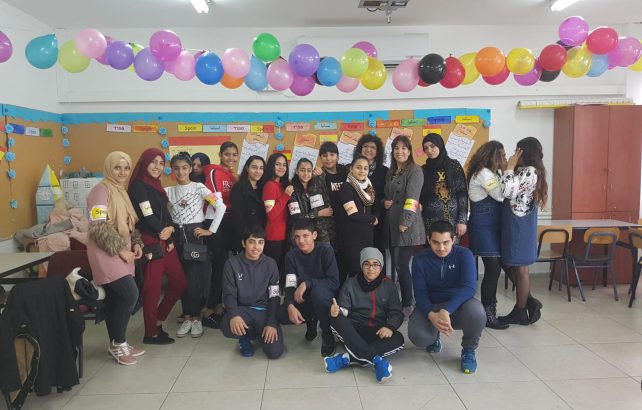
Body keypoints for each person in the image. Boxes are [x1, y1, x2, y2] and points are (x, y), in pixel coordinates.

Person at [86, 151, 145, 365]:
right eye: (117, 167)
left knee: (118, 299)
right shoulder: (100, 191)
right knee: (130, 295)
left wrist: (136, 242)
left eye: (126, 168)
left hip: (124, 252)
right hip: (106, 252)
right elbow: (98, 225)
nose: (122, 172)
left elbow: (130, 223)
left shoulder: (121, 191)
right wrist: (120, 250)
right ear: (109, 168)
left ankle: (118, 343)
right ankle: (118, 343)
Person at [408, 221, 485, 374]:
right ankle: (434, 335)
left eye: (446, 242)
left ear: (453, 239)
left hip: (458, 306)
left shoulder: (464, 254)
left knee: (477, 312)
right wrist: (431, 315)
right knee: (418, 336)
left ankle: (469, 350)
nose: (441, 248)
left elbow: (469, 288)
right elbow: (420, 294)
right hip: (432, 305)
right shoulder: (420, 259)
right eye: (435, 242)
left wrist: (446, 310)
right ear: (428, 240)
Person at [128, 148, 186, 345]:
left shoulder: (157, 185)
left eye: (161, 163)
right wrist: (163, 231)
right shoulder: (139, 185)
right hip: (151, 240)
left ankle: (158, 319)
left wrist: (169, 235)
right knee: (152, 288)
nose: (157, 167)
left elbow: (165, 213)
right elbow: (147, 215)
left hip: (164, 239)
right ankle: (150, 333)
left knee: (179, 282)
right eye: (153, 162)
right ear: (145, 162)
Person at [166, 152, 226, 338]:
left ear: (190, 169)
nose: (181, 172)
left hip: (195, 237)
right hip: (176, 238)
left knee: (195, 280)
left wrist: (211, 230)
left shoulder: (199, 188)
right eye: (176, 168)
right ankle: (187, 317)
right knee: (182, 280)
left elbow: (221, 206)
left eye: (185, 168)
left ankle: (197, 318)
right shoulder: (168, 191)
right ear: (172, 170)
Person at [324, 248, 404, 384]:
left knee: (398, 338)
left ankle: (346, 359)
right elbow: (344, 309)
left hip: (377, 330)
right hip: (355, 330)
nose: (371, 268)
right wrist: (336, 311)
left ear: (381, 266)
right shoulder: (350, 283)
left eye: (375, 264)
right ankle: (376, 360)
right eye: (367, 264)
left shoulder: (389, 285)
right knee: (336, 319)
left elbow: (396, 312)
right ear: (361, 266)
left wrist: (390, 327)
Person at [498, 137, 547, 326]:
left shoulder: (530, 171)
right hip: (519, 222)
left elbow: (507, 192)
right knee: (512, 264)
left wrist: (509, 168)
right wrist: (509, 169)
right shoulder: (527, 170)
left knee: (521, 268)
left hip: (520, 225)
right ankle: (529, 301)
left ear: (523, 152)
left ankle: (520, 310)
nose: (514, 154)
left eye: (517, 151)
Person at [220, 226, 283, 359]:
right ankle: (244, 337)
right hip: (243, 310)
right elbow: (229, 294)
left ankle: (258, 332)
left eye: (260, 242)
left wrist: (271, 323)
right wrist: (234, 315)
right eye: (251, 242)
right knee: (226, 324)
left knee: (274, 353)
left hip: (263, 311)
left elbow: (274, 296)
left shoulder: (271, 264)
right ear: (244, 243)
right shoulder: (231, 264)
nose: (256, 247)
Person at [279, 219, 340, 356]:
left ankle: (327, 334)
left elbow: (334, 282)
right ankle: (311, 320)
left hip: (323, 296)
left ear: (314, 235)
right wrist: (289, 305)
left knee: (318, 293)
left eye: (305, 236)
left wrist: (307, 283)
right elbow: (290, 284)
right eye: (297, 237)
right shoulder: (291, 256)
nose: (301, 241)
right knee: (281, 314)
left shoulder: (325, 250)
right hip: (303, 297)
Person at [466, 141, 509, 330]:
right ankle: (488, 314)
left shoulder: (492, 173)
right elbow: (500, 195)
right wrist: (508, 171)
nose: (505, 159)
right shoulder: (483, 173)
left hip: (492, 225)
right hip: (483, 226)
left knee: (495, 268)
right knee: (492, 268)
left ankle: (490, 311)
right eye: (503, 155)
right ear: (493, 156)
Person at [383, 135, 425, 310]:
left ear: (409, 151)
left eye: (403, 148)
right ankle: (405, 300)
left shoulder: (415, 170)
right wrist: (384, 202)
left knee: (401, 264)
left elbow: (412, 199)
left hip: (407, 224)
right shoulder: (392, 171)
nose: (399, 151)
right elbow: (387, 195)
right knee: (398, 264)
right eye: (396, 148)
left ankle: (408, 302)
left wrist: (406, 221)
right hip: (393, 223)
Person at [201, 142, 238, 329]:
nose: (231, 158)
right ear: (220, 155)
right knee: (218, 266)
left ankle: (218, 306)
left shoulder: (232, 176)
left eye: (234, 155)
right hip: (214, 223)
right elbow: (217, 201)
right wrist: (212, 229)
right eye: (227, 154)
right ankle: (208, 310)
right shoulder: (214, 172)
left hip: (227, 223)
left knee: (223, 265)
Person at [337, 155, 378, 283]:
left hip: (367, 236)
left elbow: (374, 207)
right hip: (351, 237)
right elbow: (353, 214)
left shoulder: (369, 187)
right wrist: (372, 218)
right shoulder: (346, 187)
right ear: (351, 169)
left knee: (364, 273)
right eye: (358, 167)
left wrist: (375, 216)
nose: (362, 171)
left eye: (365, 168)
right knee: (354, 271)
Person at [420, 133, 469, 237]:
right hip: (430, 221)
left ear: (440, 145)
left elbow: (462, 194)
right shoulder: (424, 169)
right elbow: (421, 196)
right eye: (426, 148)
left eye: (432, 146)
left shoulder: (454, 165)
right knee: (432, 246)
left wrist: (462, 220)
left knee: (451, 246)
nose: (429, 150)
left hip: (452, 220)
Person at [262, 153, 294, 283]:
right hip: (274, 237)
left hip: (284, 235)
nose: (282, 167)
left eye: (284, 165)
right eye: (278, 164)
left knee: (280, 271)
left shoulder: (282, 184)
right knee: (272, 273)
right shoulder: (270, 186)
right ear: (271, 166)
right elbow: (271, 215)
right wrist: (286, 196)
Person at [354, 134, 388, 254]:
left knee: (377, 251)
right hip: (357, 217)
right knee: (358, 252)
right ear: (360, 149)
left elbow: (387, 193)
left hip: (378, 218)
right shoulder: (352, 170)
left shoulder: (385, 171)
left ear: (378, 152)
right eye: (365, 146)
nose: (369, 149)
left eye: (373, 147)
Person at [287, 158, 334, 244]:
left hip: (318, 232)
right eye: (302, 170)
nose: (306, 173)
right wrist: (317, 214)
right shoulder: (292, 190)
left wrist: (321, 175)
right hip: (300, 234)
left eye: (309, 170)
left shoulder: (314, 186)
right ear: (297, 171)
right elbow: (296, 217)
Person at [312, 141, 347, 249]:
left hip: (346, 222)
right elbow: (317, 208)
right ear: (320, 158)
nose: (328, 158)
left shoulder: (346, 173)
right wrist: (324, 238)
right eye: (325, 155)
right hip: (329, 226)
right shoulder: (318, 177)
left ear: (338, 157)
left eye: (332, 155)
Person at [230, 155, 267, 254]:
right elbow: (237, 217)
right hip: (245, 236)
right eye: (254, 167)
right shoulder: (239, 187)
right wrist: (244, 238)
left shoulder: (262, 187)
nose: (258, 171)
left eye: (261, 168)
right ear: (247, 168)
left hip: (259, 235)